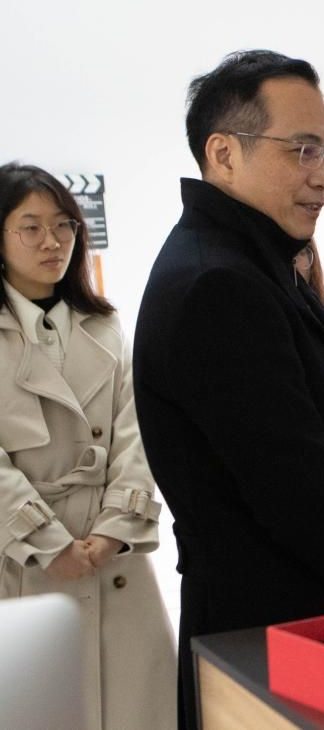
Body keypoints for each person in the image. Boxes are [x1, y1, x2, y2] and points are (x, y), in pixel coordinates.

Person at [132, 50, 324, 728]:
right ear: (223, 154)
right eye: (301, 150)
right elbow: (297, 484)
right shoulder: (218, 283)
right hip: (273, 634)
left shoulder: (251, 261)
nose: (322, 175)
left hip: (288, 620)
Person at [0, 163, 176, 729]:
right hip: (21, 561)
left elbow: (138, 433)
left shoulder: (104, 324)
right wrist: (49, 542)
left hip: (113, 564)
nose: (52, 241)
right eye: (31, 227)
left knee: (137, 709)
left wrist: (115, 529)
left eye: (64, 225)